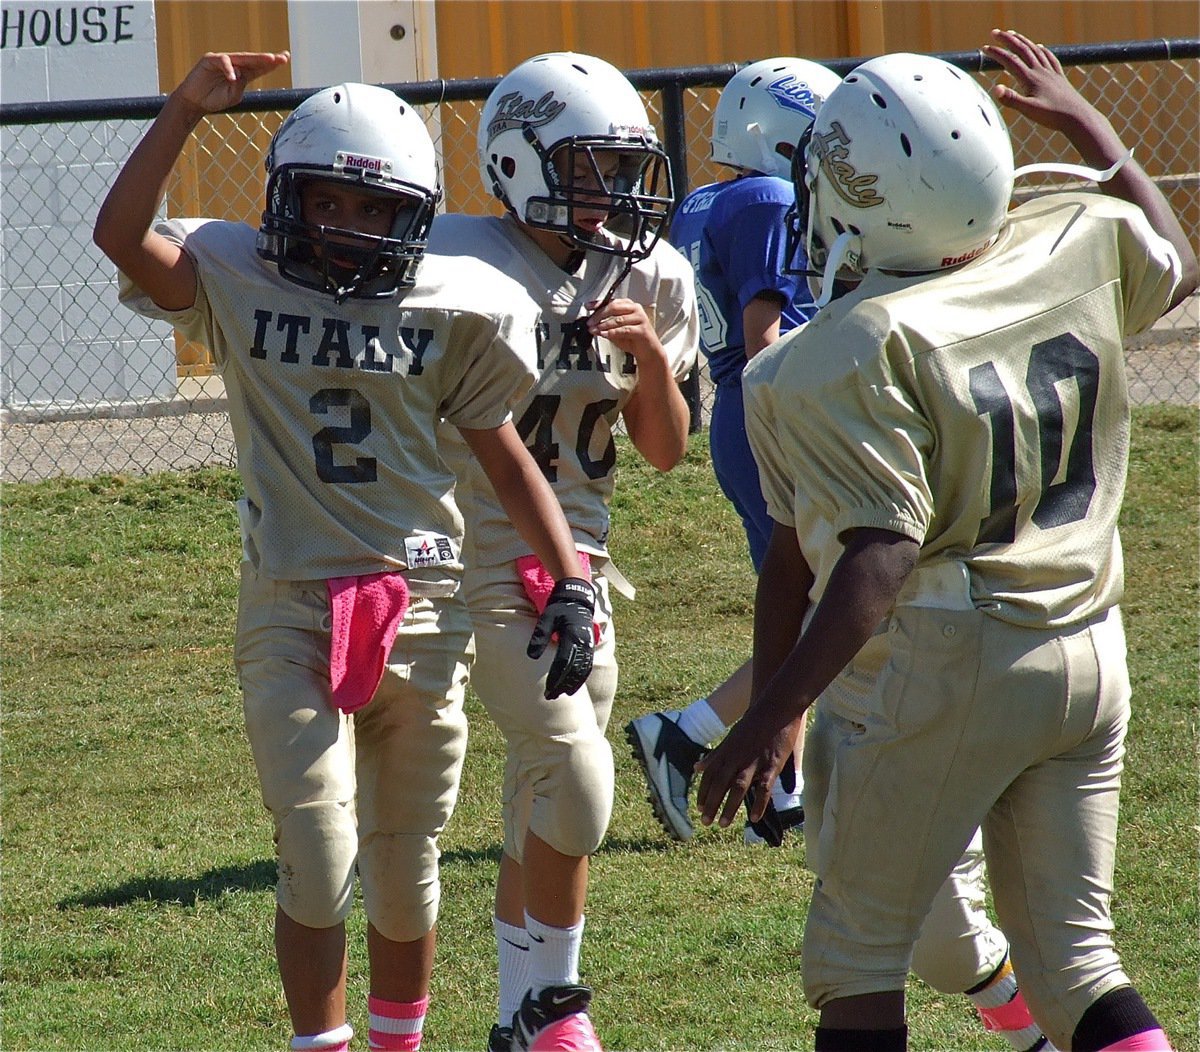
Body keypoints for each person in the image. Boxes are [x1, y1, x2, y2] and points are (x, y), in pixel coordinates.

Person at [697, 29, 1196, 1052]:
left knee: (856, 959)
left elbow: (869, 555)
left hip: (951, 654)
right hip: (1090, 644)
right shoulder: (1074, 236)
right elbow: (1177, 262)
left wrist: (768, 712)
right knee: (1077, 964)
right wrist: (1091, 124)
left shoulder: (831, 357)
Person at [94, 52, 597, 1052]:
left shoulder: (451, 305)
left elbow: (505, 461)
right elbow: (119, 234)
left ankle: (397, 1042)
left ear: (410, 217)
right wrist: (186, 108)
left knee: (407, 865)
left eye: (373, 210)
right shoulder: (235, 272)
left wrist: (572, 581)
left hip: (426, 596)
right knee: (319, 847)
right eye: (327, 201)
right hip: (290, 596)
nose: (348, 225)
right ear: (289, 198)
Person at [431, 52, 697, 1052]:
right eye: (590, 166)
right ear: (519, 158)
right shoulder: (456, 257)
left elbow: (667, 450)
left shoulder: (652, 274)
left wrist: (647, 365)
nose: (616, 191)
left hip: (586, 555)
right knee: (577, 775)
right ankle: (560, 1005)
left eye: (625, 168)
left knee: (542, 795)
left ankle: (515, 1016)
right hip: (480, 549)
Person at [625, 57, 840, 847]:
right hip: (779, 410)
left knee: (803, 608)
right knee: (830, 610)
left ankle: (777, 798)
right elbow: (766, 340)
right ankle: (692, 734)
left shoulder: (704, 202)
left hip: (736, 418)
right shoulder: (770, 194)